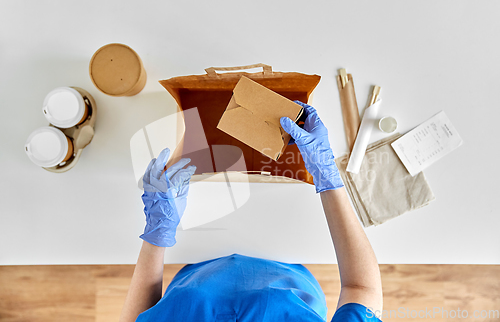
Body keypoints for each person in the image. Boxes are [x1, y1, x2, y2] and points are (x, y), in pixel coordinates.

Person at [119, 102, 383, 322]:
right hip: (289, 263)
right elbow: (360, 289)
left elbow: (139, 317)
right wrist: (327, 175)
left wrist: (158, 233)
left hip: (197, 265)